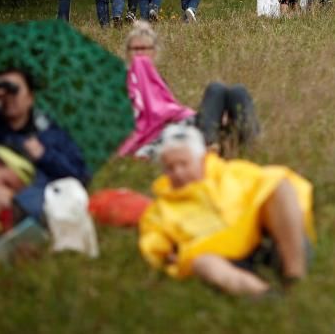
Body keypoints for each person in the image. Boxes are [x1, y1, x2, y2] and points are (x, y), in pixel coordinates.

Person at [138, 125, 313, 296]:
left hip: (263, 243)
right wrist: (167, 254)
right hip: (223, 261)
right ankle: (267, 297)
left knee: (279, 184)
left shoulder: (234, 173)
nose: (178, 172)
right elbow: (155, 243)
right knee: (203, 263)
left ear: (201, 160)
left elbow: (285, 189)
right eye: (170, 167)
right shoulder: (160, 208)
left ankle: (294, 278)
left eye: (184, 164)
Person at [0, 68, 89, 221]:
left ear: (30, 97)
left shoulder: (49, 134)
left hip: (33, 199)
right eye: (3, 90)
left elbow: (80, 174)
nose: (9, 97)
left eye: (14, 90)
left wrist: (44, 156)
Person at [121, 22, 261, 158]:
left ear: (154, 52)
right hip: (161, 133)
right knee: (216, 89)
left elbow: (170, 110)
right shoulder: (122, 80)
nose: (140, 53)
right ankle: (208, 145)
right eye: (135, 49)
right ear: (128, 53)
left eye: (145, 48)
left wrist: (211, 114)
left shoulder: (158, 80)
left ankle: (250, 144)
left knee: (232, 90)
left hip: (181, 124)